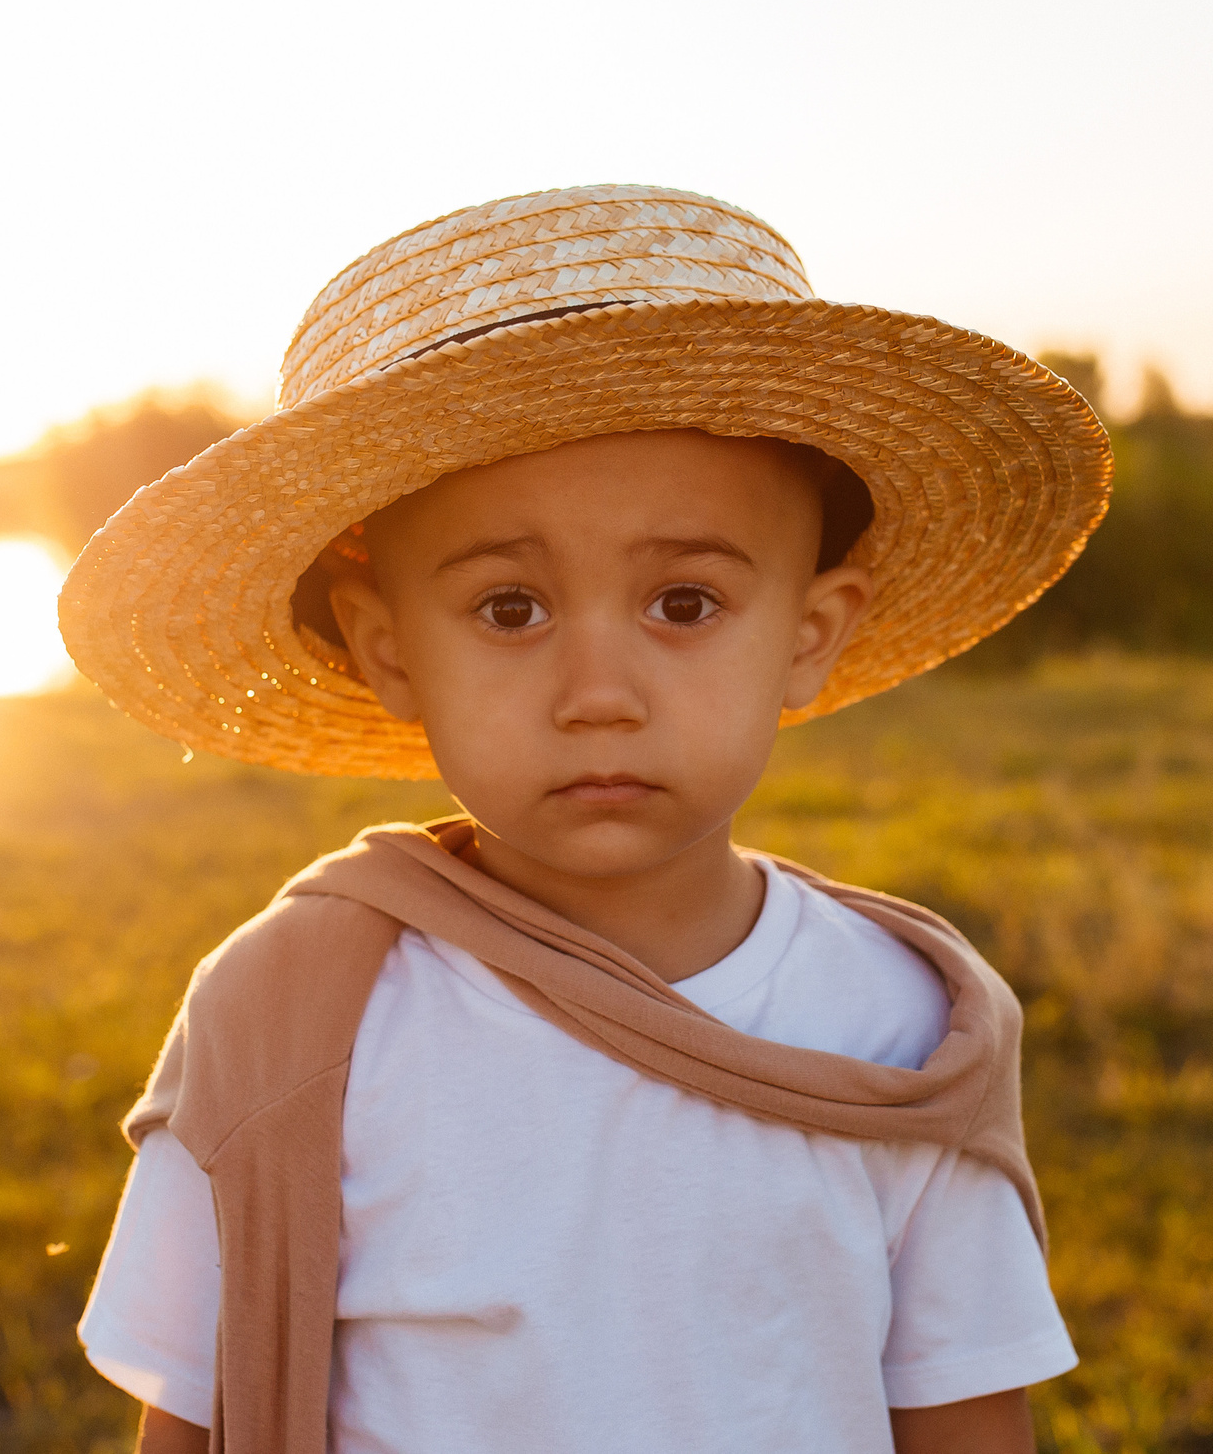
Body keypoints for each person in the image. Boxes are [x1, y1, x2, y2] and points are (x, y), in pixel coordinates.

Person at [55, 185, 1114, 1454]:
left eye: (683, 603)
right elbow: (190, 1411)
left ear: (809, 636)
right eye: (510, 611)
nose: (598, 696)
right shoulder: (292, 1017)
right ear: (388, 652)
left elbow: (966, 1423)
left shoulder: (902, 1026)